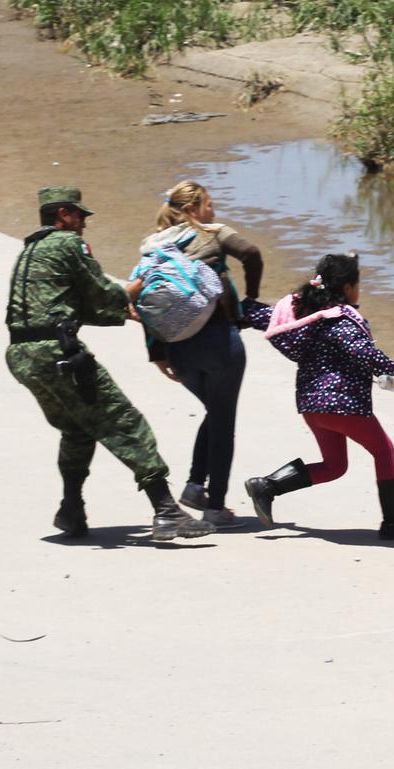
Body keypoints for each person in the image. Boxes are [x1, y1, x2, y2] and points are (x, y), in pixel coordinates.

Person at [5, 186, 213, 541]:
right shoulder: (68, 244)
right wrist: (148, 279)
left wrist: (124, 312)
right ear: (63, 215)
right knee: (126, 423)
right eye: (79, 216)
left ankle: (71, 509)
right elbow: (103, 292)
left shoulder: (30, 251)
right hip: (58, 354)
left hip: (22, 356)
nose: (84, 223)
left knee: (77, 429)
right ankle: (165, 511)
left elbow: (77, 305)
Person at [241, 252, 394, 540]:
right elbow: (361, 350)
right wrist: (392, 369)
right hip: (342, 405)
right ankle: (393, 523)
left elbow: (264, 316)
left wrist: (236, 310)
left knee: (335, 466)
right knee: (383, 450)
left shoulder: (305, 313)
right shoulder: (338, 319)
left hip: (311, 406)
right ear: (348, 287)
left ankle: (267, 486)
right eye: (358, 283)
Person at [134, 180, 265, 528]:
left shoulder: (152, 246)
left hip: (178, 349)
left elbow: (150, 302)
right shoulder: (213, 233)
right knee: (224, 423)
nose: (214, 211)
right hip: (220, 341)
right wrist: (250, 298)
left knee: (215, 411)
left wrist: (157, 353)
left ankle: (195, 486)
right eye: (209, 205)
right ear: (192, 210)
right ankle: (216, 507)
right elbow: (252, 254)